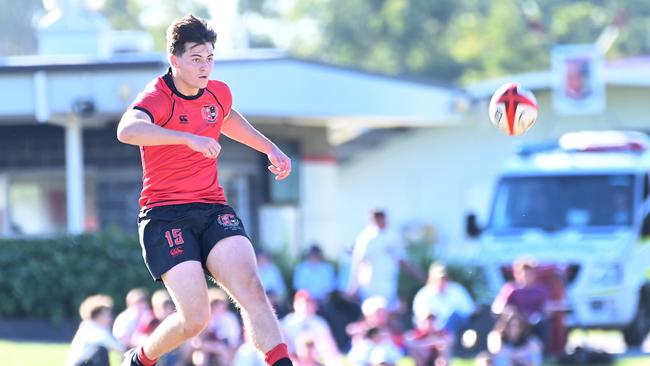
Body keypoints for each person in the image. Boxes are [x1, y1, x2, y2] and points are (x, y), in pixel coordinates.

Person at [116, 14, 293, 366]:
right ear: (175, 60)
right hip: (165, 216)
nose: (204, 66)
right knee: (195, 318)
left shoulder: (217, 91)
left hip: (212, 208)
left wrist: (269, 148)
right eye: (196, 58)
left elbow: (226, 117)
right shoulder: (157, 95)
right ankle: (139, 359)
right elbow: (127, 130)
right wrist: (186, 139)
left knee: (253, 290)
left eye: (209, 58)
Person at [346, 209, 417, 309]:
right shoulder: (366, 237)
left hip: (388, 283)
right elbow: (358, 262)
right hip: (370, 285)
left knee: (388, 312)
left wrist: (415, 272)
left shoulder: (392, 235)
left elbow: (401, 259)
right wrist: (354, 285)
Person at [411, 262, 476, 340]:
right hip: (433, 331)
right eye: (438, 279)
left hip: (458, 330)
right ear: (431, 279)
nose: (441, 281)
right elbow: (419, 319)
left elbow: (470, 311)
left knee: (453, 317)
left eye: (444, 278)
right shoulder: (423, 295)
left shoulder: (456, 290)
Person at [66, 294, 125, 366]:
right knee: (102, 351)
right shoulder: (91, 329)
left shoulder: (91, 327)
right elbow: (119, 347)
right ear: (99, 316)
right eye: (107, 315)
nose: (110, 318)